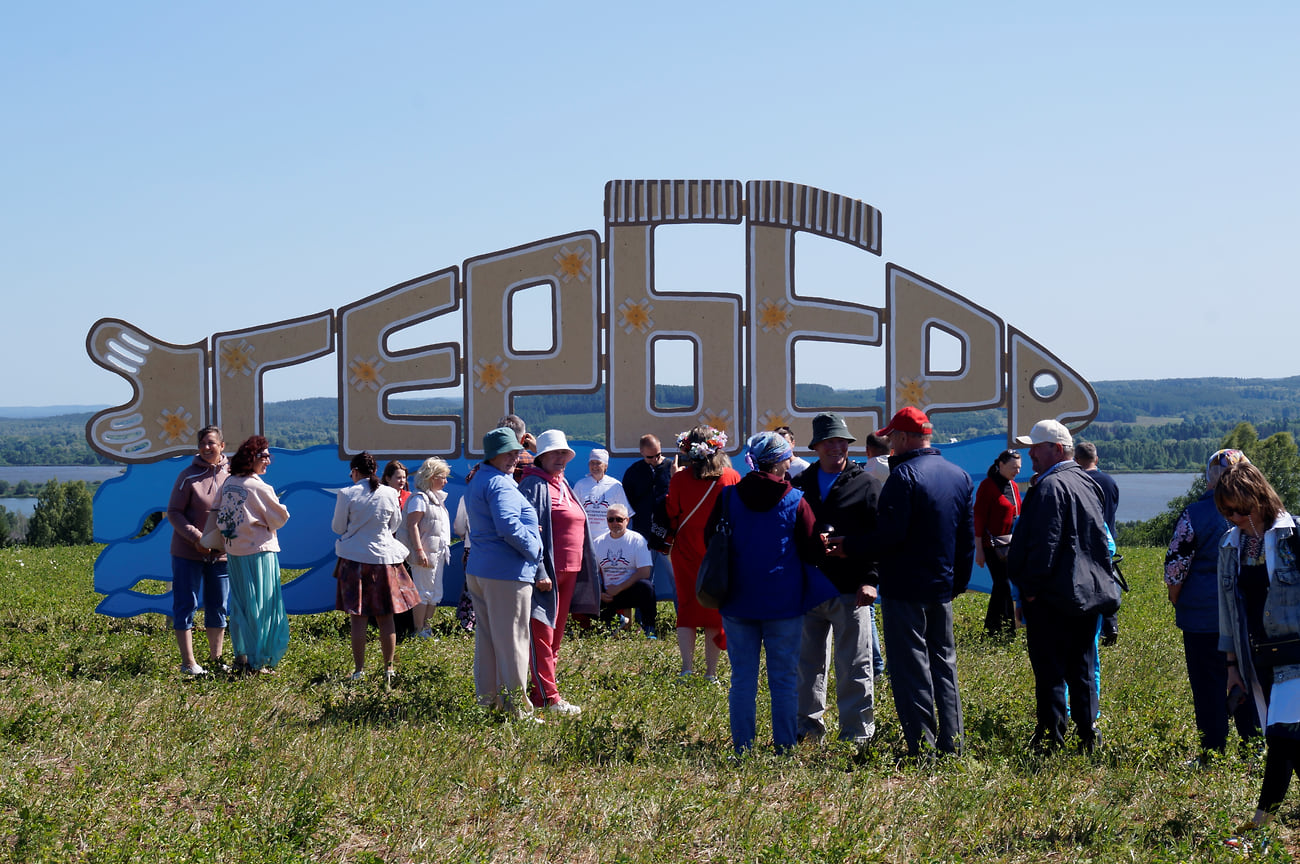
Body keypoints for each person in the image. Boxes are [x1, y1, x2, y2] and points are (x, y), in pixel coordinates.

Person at [707, 431, 836, 754]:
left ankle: (743, 747)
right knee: (784, 680)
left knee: (742, 680)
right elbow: (811, 551)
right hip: (784, 601)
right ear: (780, 463)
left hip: (737, 600)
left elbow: (711, 538)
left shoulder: (728, 497)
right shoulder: (796, 499)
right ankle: (784, 747)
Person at [1006, 419, 1118, 753]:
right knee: (1081, 666)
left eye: (1035, 448)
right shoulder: (1087, 482)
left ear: (1055, 449)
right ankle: (1088, 733)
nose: (1030, 455)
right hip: (1086, 593)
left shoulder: (1048, 487)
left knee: (1050, 668)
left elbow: (1044, 544)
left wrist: (1029, 588)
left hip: (1052, 595)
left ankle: (1051, 737)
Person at [873, 406, 973, 756]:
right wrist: (956, 583)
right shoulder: (959, 475)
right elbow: (966, 539)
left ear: (902, 438)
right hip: (941, 588)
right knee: (944, 663)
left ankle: (922, 747)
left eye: (891, 438)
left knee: (910, 666)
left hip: (904, 589)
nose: (889, 444)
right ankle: (954, 745)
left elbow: (889, 537)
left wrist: (850, 546)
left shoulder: (903, 477)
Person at [1215, 461, 1300, 840]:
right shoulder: (1229, 546)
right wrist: (1232, 665)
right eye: (1227, 511)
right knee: (1283, 738)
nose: (1234, 517)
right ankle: (1261, 825)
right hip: (1256, 657)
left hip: (1296, 654)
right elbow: (1227, 611)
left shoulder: (1293, 535)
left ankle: (1259, 827)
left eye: (1241, 509)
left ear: (1260, 498)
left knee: (1282, 735)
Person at [791, 412, 882, 746]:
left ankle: (857, 734)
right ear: (816, 446)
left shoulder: (867, 484)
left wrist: (870, 578)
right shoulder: (800, 485)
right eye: (829, 441)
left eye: (842, 441)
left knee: (855, 665)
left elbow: (879, 536)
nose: (836, 447)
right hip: (809, 588)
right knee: (807, 665)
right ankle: (806, 729)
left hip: (851, 588)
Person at [1165, 449, 1260, 763]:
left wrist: (1179, 598)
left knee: (1207, 685)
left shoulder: (1194, 514)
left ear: (1209, 478)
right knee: (1248, 679)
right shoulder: (1257, 515)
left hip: (1202, 616)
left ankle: (1213, 750)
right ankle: (1253, 747)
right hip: (1246, 615)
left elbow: (1176, 568)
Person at [518, 430, 600, 714]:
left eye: (564, 454)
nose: (561, 458)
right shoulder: (533, 484)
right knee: (541, 631)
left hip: (570, 571)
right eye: (555, 454)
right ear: (541, 457)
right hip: (547, 574)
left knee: (555, 635)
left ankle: (541, 689)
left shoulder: (563, 484)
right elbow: (528, 531)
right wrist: (540, 569)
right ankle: (548, 697)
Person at [464, 428, 544, 718]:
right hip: (506, 573)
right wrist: (535, 548)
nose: (515, 457)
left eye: (516, 451)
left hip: (482, 569)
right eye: (509, 452)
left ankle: (489, 703)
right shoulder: (499, 483)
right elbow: (508, 525)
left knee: (487, 639)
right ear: (493, 455)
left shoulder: (480, 478)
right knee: (513, 640)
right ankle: (518, 710)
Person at [332, 451, 420, 685]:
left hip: (354, 560)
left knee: (358, 618)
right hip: (384, 560)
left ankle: (359, 670)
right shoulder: (391, 493)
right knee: (386, 618)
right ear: (375, 472)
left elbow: (338, 527)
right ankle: (388, 669)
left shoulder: (347, 493)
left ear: (355, 471)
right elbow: (394, 524)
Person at [666, 425, 740, 680]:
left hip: (685, 551)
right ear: (717, 447)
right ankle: (711, 673)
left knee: (687, 608)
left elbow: (672, 512)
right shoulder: (731, 477)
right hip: (718, 553)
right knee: (713, 610)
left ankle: (687, 668)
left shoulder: (678, 478)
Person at [214, 435, 290, 674]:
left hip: (235, 552)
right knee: (263, 606)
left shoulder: (229, 482)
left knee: (241, 605)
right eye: (264, 456)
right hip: (258, 553)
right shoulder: (258, 486)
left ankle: (242, 657)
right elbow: (280, 517)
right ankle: (258, 661)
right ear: (253, 458)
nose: (268, 461)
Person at [167, 425, 230, 675]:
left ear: (222, 446)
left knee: (218, 606)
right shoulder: (187, 476)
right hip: (187, 553)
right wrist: (196, 538)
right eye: (202, 443)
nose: (206, 448)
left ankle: (216, 660)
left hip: (221, 554)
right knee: (186, 604)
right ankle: (189, 663)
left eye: (211, 443)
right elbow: (174, 512)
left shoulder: (234, 475)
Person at [1076, 441, 1121, 645]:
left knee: (1088, 586)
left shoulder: (1078, 482)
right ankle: (1110, 624)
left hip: (1086, 542)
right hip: (1108, 539)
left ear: (1076, 460)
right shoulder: (1109, 481)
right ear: (1096, 459)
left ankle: (1092, 627)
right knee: (1107, 583)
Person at [974, 449, 1022, 638]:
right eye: (1013, 467)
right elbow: (978, 518)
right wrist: (979, 550)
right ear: (1000, 465)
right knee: (1002, 584)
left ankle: (994, 629)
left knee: (1002, 586)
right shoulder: (987, 486)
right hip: (992, 545)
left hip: (1011, 543)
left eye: (1018, 468)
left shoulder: (1014, 486)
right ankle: (1006, 630)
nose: (1016, 471)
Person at [622, 433, 677, 599]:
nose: (655, 459)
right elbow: (627, 503)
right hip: (643, 534)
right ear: (641, 452)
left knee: (676, 579)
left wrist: (676, 476)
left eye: (658, 455)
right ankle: (644, 622)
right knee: (644, 580)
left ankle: (683, 621)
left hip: (669, 533)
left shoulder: (670, 467)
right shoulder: (633, 472)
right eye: (650, 457)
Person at [593, 503, 658, 637]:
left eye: (619, 519)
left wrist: (619, 588)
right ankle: (615, 621)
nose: (614, 523)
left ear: (627, 520)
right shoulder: (598, 542)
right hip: (607, 594)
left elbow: (644, 572)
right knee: (583, 593)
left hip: (628, 591)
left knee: (647, 587)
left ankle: (649, 627)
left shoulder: (637, 540)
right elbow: (591, 572)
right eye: (611, 519)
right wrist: (599, 592)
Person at [405, 457, 452, 639]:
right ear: (432, 477)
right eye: (442, 476)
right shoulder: (420, 498)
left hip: (437, 553)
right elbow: (412, 525)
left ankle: (426, 628)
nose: (446, 481)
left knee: (435, 592)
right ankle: (418, 630)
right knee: (423, 592)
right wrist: (419, 551)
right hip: (425, 553)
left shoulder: (436, 499)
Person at [381, 460, 416, 640]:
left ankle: (408, 626)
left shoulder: (410, 497)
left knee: (407, 590)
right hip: (386, 552)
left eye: (404, 477)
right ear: (387, 478)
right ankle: (391, 627)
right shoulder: (379, 497)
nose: (402, 481)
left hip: (405, 551)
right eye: (398, 477)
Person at [573, 448, 633, 538]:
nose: (594, 466)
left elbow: (625, 513)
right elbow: (574, 511)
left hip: (608, 537)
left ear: (605, 466)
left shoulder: (615, 485)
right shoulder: (580, 485)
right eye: (592, 463)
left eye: (598, 463)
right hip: (586, 538)